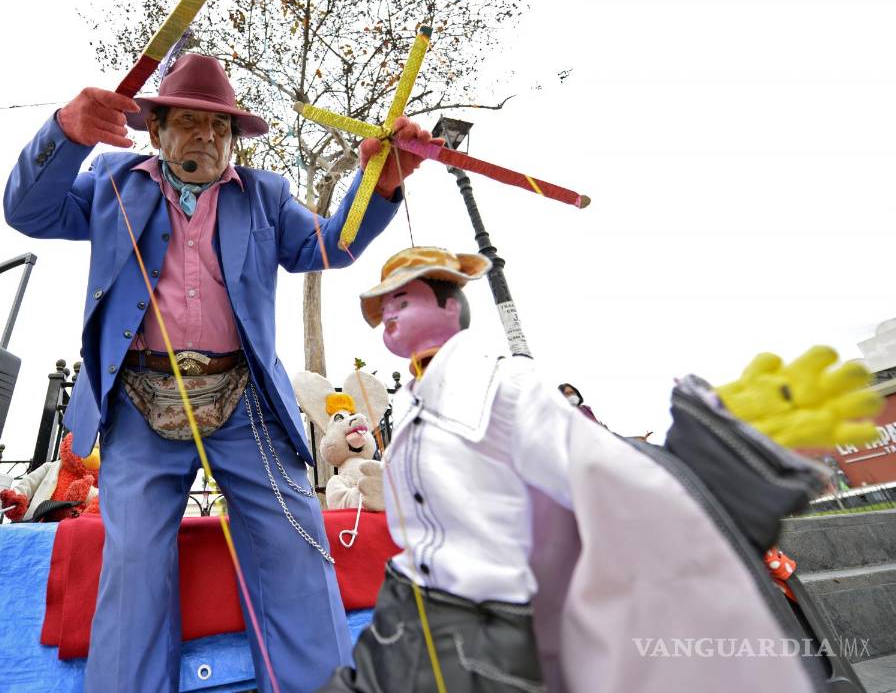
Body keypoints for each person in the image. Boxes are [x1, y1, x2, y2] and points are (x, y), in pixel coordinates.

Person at [3, 53, 438, 692]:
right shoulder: (111, 183)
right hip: (137, 398)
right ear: (156, 132)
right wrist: (65, 131)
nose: (206, 138)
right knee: (134, 561)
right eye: (188, 123)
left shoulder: (264, 195)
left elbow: (331, 245)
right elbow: (28, 212)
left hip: (244, 400)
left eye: (219, 128)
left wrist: (385, 174)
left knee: (294, 540)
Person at [319, 246, 855, 693]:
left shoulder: (505, 384)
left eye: (403, 298)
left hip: (493, 622)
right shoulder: (406, 406)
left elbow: (594, 474)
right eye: (383, 303)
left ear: (451, 306)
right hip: (410, 607)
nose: (388, 312)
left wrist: (706, 474)